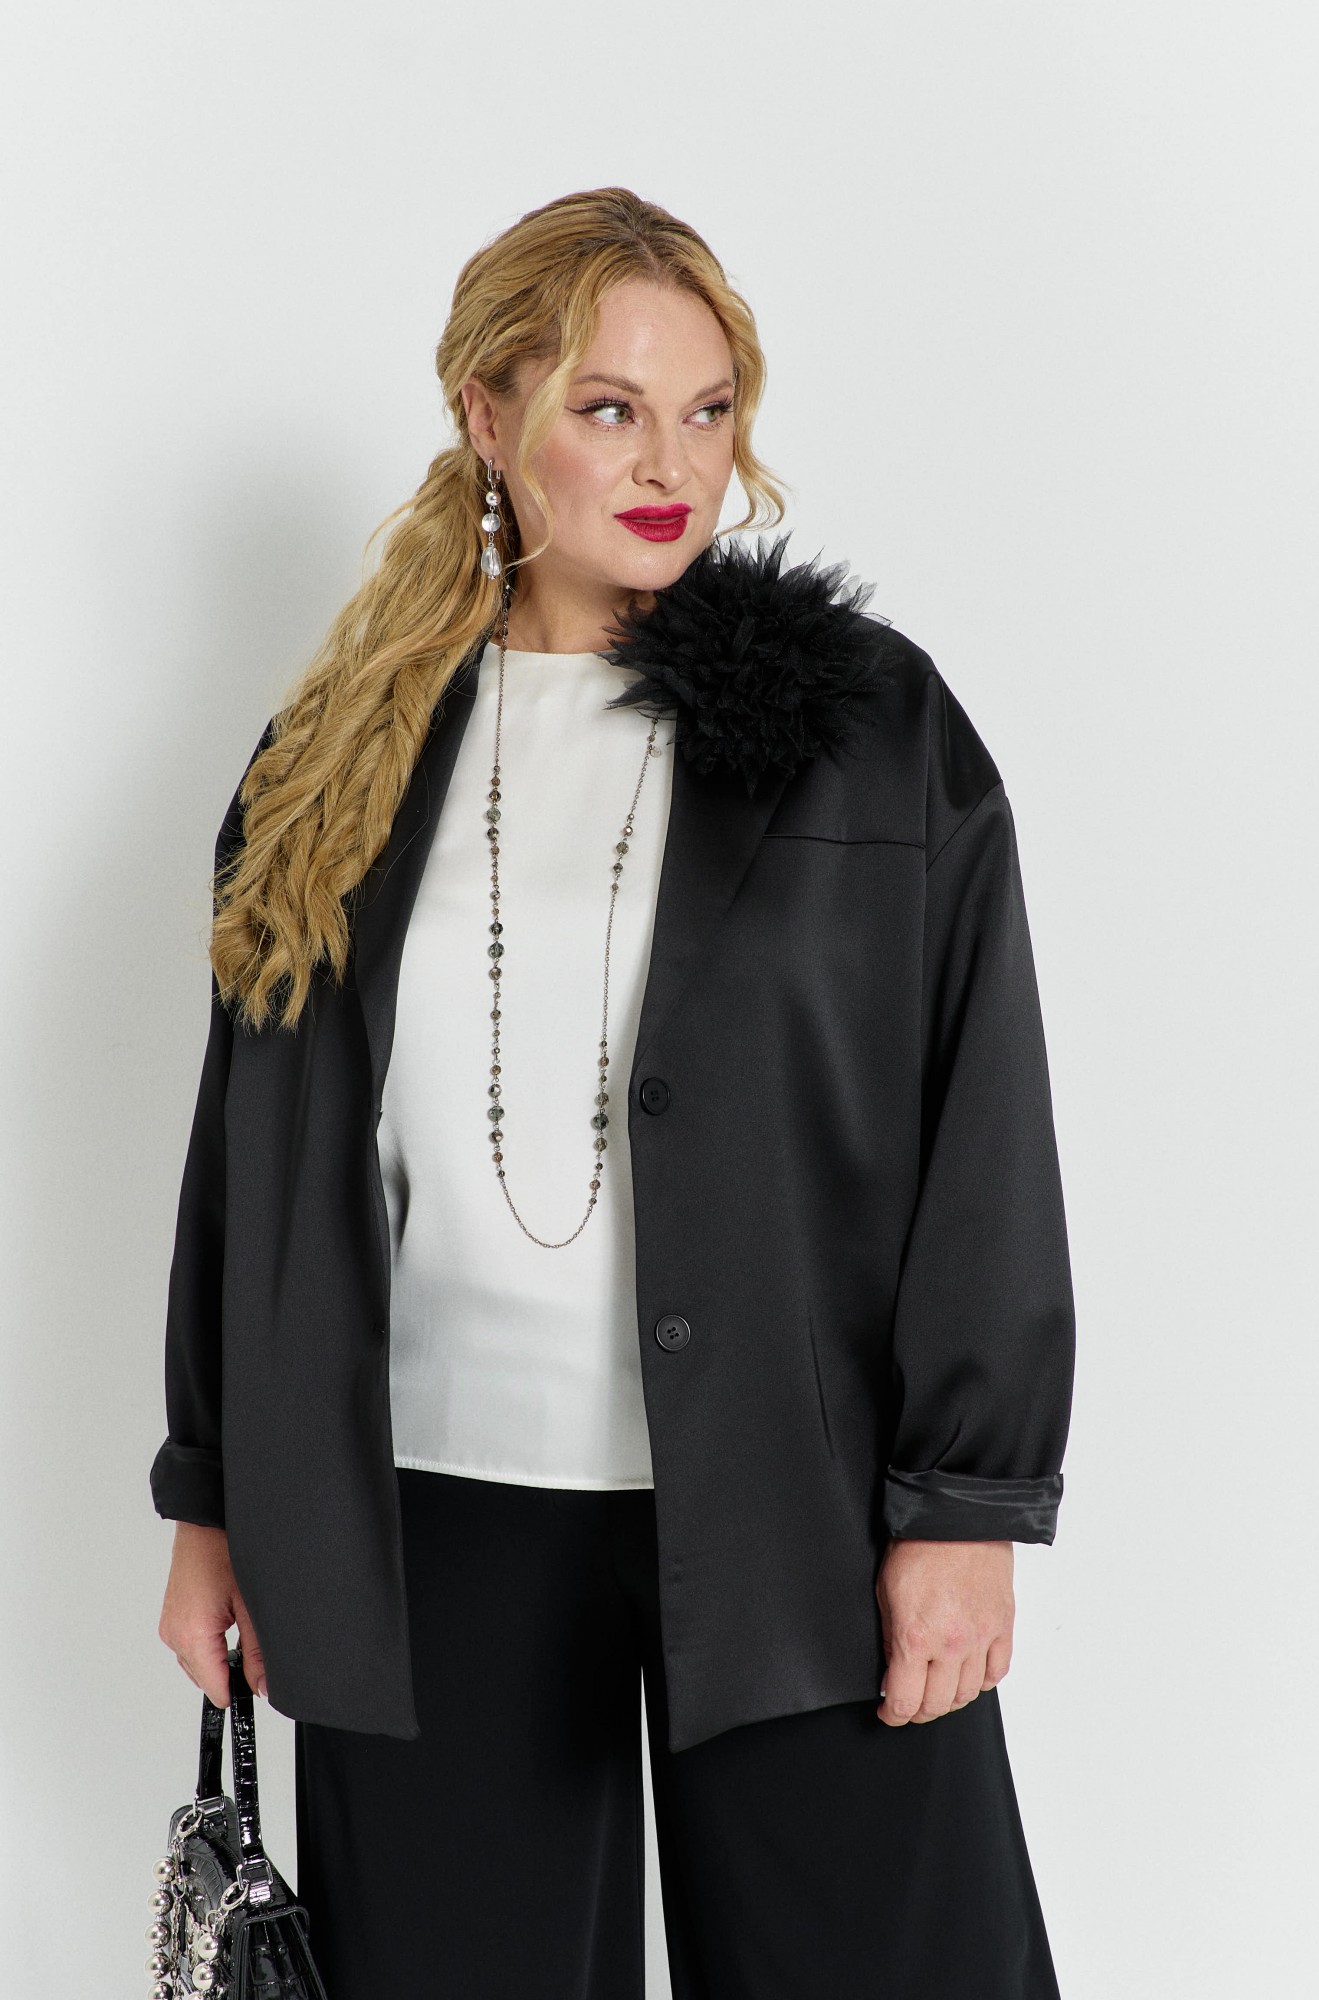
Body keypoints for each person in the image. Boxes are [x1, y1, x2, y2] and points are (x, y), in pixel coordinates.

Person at [153, 185, 1077, 1999]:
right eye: (610, 407)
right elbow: (246, 1159)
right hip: (423, 1517)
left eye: (707, 410)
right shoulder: (339, 754)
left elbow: (983, 1118)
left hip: (793, 1506)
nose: (672, 463)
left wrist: (964, 1506)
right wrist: (214, 1499)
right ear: (489, 418)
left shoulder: (862, 726)